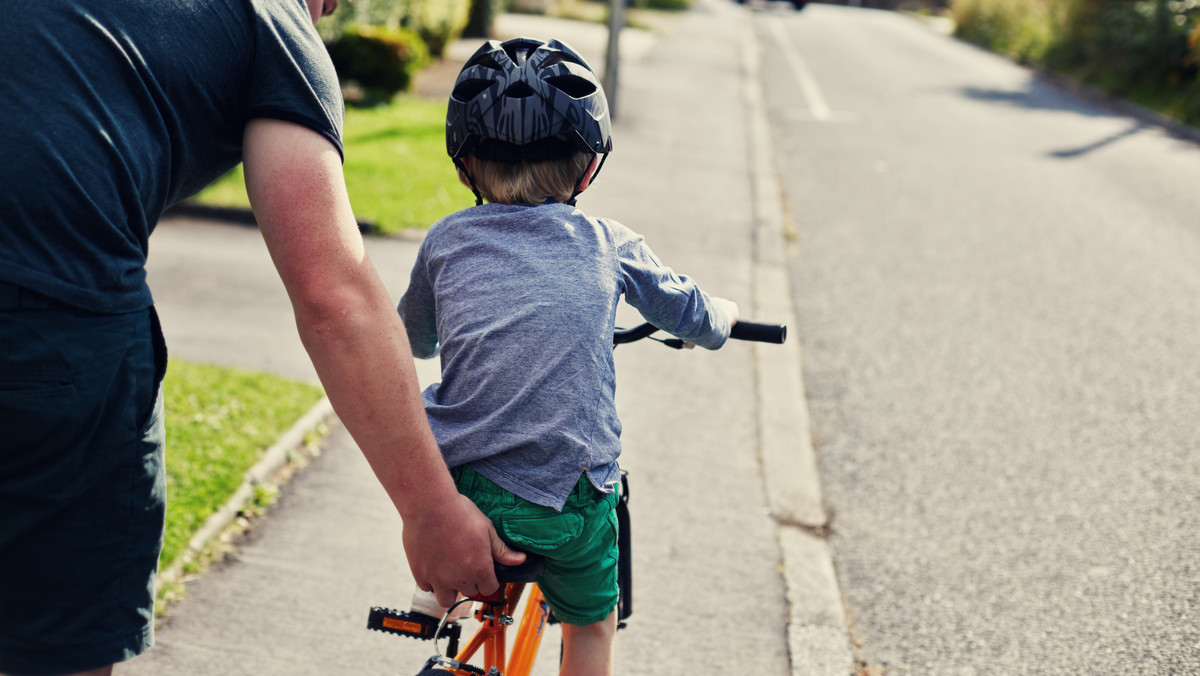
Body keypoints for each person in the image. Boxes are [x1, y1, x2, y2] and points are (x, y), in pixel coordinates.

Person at [0, 2, 519, 674]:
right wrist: (431, 511)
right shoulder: (269, 25)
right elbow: (333, 297)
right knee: (59, 652)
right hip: (51, 326)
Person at [397, 37, 739, 676]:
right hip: (569, 505)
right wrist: (721, 317)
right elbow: (689, 312)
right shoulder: (607, 243)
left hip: (464, 496)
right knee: (591, 625)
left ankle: (439, 593)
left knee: (438, 479)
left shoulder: (444, 243)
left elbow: (412, 340)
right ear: (589, 168)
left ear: (464, 163)